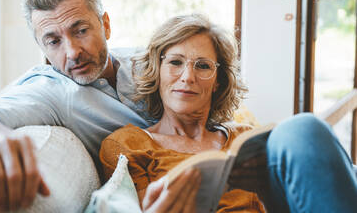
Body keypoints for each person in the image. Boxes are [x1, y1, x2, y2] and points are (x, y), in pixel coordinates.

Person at [0, 0, 199, 212]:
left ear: (105, 25)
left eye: (80, 31)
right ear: (42, 48)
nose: (72, 51)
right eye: (54, 41)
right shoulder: (51, 91)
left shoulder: (149, 61)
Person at [100, 14, 357, 212]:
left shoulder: (247, 138)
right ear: (158, 71)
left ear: (218, 82)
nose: (187, 77)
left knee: (302, 129)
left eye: (202, 66)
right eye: (175, 62)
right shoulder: (128, 145)